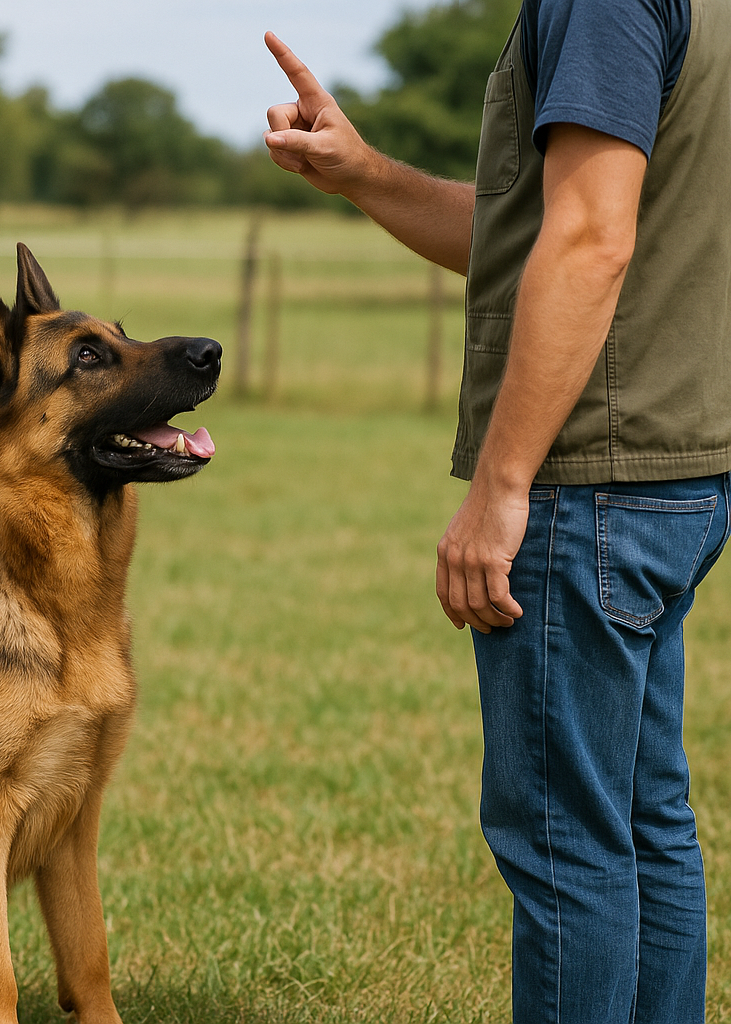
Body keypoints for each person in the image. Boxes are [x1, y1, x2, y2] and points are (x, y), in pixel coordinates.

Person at [264, 1, 731, 1021]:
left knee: (568, 836)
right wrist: (365, 173)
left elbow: (588, 242)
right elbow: (538, 231)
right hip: (674, 472)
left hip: (588, 479)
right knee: (642, 821)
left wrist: (504, 480)